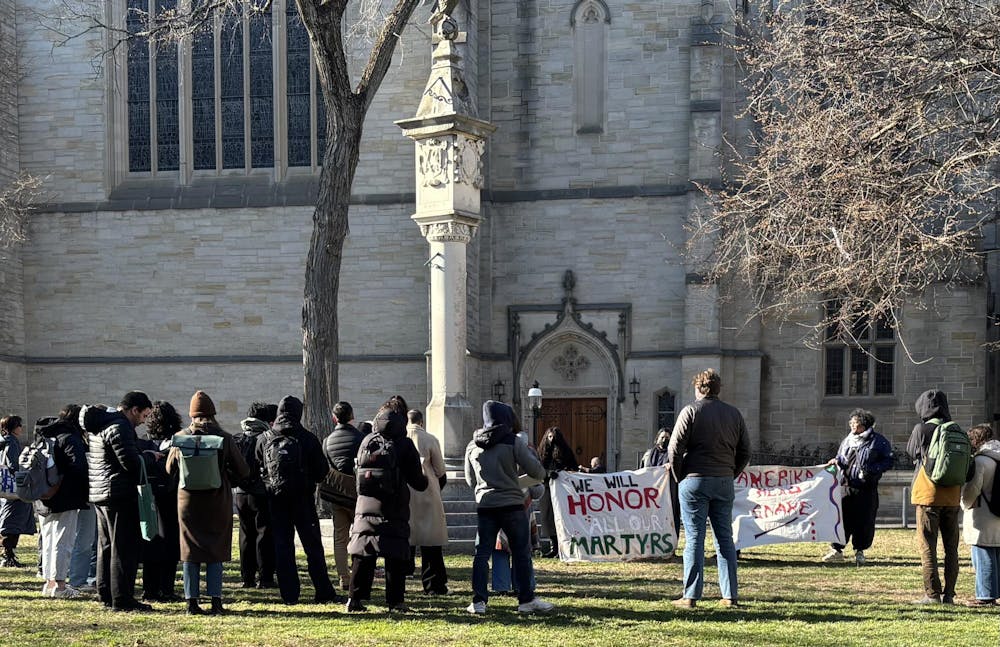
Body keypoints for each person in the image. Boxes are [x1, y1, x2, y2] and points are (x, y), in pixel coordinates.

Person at [667, 368, 750, 609]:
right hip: (724, 480)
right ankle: (730, 596)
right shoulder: (733, 414)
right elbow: (746, 450)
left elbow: (674, 449)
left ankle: (691, 596)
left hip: (695, 479)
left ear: (698, 388)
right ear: (718, 389)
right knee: (725, 539)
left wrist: (679, 476)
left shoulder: (690, 411)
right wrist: (730, 472)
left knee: (694, 538)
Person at [465, 400, 552, 615]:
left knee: (482, 554)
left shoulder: (472, 445)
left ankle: (478, 601)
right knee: (521, 553)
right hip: (512, 505)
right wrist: (515, 480)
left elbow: (470, 480)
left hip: (485, 505)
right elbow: (538, 472)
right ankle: (525, 600)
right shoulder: (512, 442)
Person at [166, 391, 249, 615]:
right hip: (217, 500)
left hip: (187, 502)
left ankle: (191, 602)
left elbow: (169, 469)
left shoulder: (180, 437)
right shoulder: (224, 437)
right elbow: (243, 470)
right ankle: (216, 602)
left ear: (192, 415)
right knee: (215, 550)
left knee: (190, 552)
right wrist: (225, 477)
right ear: (213, 414)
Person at [257, 395, 342, 605]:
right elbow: (321, 470)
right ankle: (323, 591)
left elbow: (257, 467)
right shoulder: (307, 437)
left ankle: (289, 594)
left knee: (283, 546)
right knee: (313, 547)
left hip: (275, 499)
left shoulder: (265, 438)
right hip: (302, 498)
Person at [346, 398, 428, 613]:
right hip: (394, 505)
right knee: (395, 554)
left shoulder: (367, 441)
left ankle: (355, 599)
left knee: (363, 552)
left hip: (365, 505)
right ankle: (395, 601)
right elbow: (417, 482)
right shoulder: (404, 444)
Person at [83, 391, 154, 612]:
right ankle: (122, 598)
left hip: (101, 492)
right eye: (144, 416)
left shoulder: (100, 426)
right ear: (134, 410)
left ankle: (106, 594)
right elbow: (130, 463)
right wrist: (151, 457)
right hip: (119, 494)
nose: (143, 421)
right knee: (124, 548)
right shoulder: (120, 426)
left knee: (106, 546)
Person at [906, 389, 972, 605]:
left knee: (928, 546)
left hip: (928, 496)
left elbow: (911, 452)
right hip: (952, 497)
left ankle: (932, 594)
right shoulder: (956, 430)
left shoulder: (921, 429)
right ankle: (950, 595)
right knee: (951, 548)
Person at [822, 408, 894, 565]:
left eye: (854, 423)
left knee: (864, 520)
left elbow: (888, 461)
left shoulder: (878, 441)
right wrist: (836, 461)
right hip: (846, 486)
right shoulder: (847, 440)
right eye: (851, 422)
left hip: (866, 488)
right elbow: (842, 457)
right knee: (843, 519)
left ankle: (860, 551)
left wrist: (873, 470)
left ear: (863, 424)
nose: (852, 425)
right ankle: (837, 550)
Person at [35, 406, 89, 598]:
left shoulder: (44, 435)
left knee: (48, 541)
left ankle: (49, 583)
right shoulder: (69, 437)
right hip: (65, 497)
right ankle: (60, 586)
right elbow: (78, 467)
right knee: (63, 542)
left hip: (43, 495)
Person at [139, 400, 183, 602]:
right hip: (171, 495)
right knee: (170, 542)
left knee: (151, 540)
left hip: (150, 494)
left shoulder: (146, 443)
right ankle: (166, 588)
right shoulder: (177, 441)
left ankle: (150, 588)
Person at [233, 401, 277, 589]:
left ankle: (247, 577)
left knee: (245, 533)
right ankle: (265, 577)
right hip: (260, 491)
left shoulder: (238, 437)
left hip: (240, 492)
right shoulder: (266, 438)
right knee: (263, 533)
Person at [405, 408, 449, 595]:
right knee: (431, 543)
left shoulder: (400, 438)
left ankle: (401, 579)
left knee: (405, 538)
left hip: (405, 493)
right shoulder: (430, 439)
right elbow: (440, 470)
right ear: (421, 422)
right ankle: (433, 584)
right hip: (427, 491)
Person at [321, 400, 363, 591]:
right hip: (357, 493)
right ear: (352, 416)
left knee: (340, 537)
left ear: (334, 418)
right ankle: (358, 574)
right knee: (359, 535)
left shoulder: (327, 441)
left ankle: (343, 578)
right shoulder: (361, 438)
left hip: (337, 494)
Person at [960, 424, 1000, 607]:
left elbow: (973, 489)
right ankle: (995, 592)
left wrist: (964, 503)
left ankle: (985, 595)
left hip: (982, 512)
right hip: (997, 512)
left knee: (982, 554)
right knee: (996, 554)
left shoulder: (981, 461)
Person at [536, 426, 576, 558]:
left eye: (554, 437)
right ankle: (554, 547)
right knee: (549, 518)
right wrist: (548, 474)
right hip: (547, 489)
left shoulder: (566, 452)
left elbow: (573, 468)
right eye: (550, 437)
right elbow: (536, 470)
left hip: (562, 490)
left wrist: (562, 473)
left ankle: (563, 547)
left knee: (562, 518)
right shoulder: (541, 453)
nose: (552, 440)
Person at [0, 415, 35, 568]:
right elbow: (14, 464)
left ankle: (8, 554)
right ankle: (7, 555)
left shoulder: (4, 441)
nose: (22, 428)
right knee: (13, 521)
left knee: (10, 519)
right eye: (20, 425)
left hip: (6, 488)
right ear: (14, 427)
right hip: (14, 488)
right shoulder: (11, 442)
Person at [642, 428, 680, 546]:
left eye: (667, 438)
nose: (664, 440)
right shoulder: (648, 455)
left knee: (671, 517)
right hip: (651, 493)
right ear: (657, 439)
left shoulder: (675, 454)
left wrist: (672, 466)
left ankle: (670, 545)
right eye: (662, 437)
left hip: (669, 492)